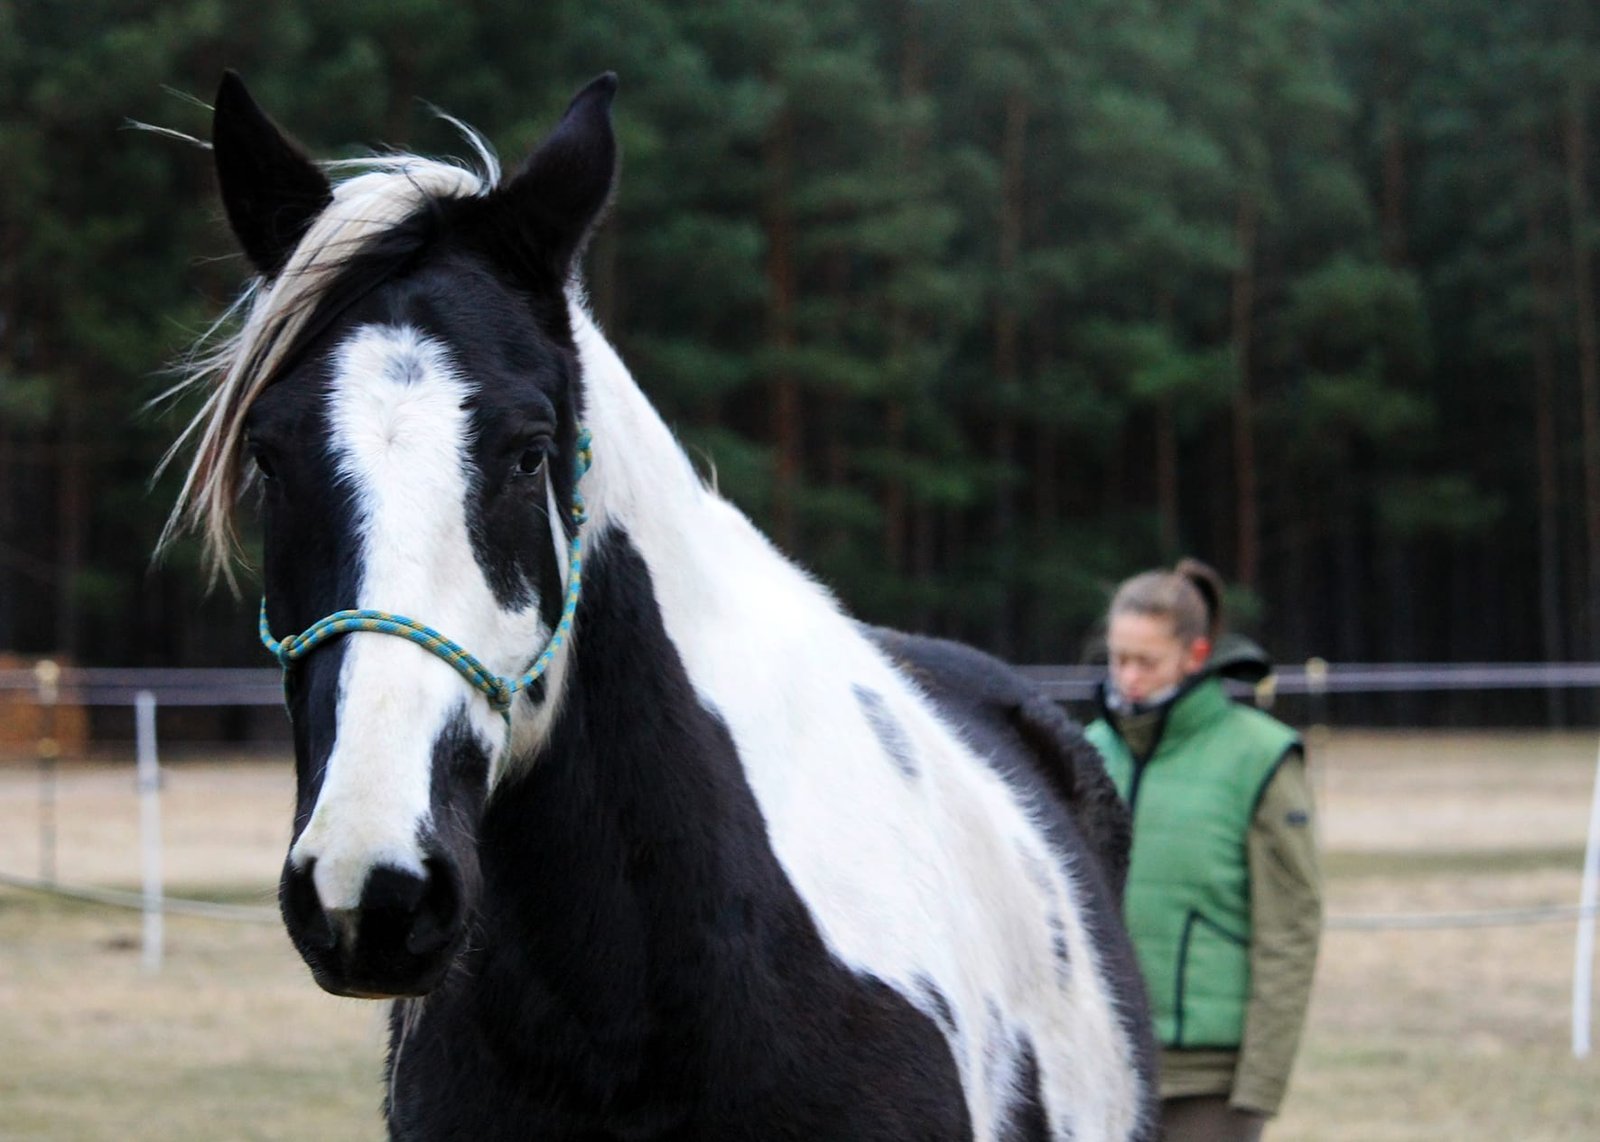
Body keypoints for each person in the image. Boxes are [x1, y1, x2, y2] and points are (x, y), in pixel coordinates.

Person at [1083, 559, 1321, 1142]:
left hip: (1206, 1078)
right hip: (1098, 1062)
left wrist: (1259, 1087)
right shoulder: (1085, 753)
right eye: (1119, 659)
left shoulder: (1261, 757)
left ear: (1195, 656)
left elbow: (1289, 930)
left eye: (1147, 661)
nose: (1128, 678)